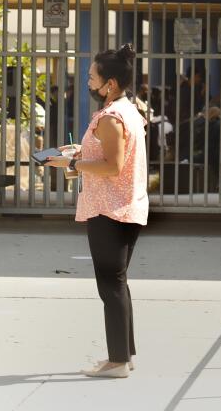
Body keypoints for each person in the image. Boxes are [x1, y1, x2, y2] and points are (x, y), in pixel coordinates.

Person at [46, 44, 149, 379]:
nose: (88, 83)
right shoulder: (127, 109)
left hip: (110, 210)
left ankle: (116, 361)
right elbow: (108, 154)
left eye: (92, 78)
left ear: (112, 84)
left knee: (110, 285)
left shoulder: (111, 117)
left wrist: (72, 162)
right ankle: (125, 354)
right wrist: (79, 151)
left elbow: (113, 165)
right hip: (123, 207)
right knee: (118, 282)